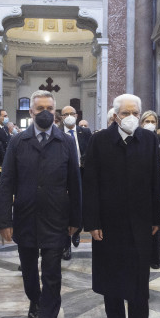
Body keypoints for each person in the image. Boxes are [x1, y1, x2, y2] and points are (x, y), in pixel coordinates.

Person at [0, 90, 81, 318]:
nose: (44, 112)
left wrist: (76, 220)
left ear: (55, 112)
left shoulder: (65, 141)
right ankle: (34, 298)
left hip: (56, 219)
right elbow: (7, 182)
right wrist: (4, 220)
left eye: (49, 108)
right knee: (30, 272)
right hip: (26, 217)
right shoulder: (17, 141)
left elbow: (75, 182)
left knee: (53, 276)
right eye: (39, 108)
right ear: (31, 111)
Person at [83, 94, 160, 318]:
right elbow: (91, 183)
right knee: (112, 275)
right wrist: (92, 221)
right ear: (116, 115)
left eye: (135, 113)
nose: (131, 117)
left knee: (139, 279)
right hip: (109, 222)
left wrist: (156, 217)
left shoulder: (149, 139)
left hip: (140, 221)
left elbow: (156, 181)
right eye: (126, 113)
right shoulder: (99, 141)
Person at [60, 105, 92, 260]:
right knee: (65, 209)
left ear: (76, 115)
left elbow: (91, 151)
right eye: (65, 114)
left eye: (71, 113)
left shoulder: (84, 132)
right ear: (61, 117)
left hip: (82, 172)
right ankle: (66, 245)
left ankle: (77, 230)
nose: (68, 116)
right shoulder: (58, 133)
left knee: (82, 204)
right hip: (64, 175)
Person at [140, 110, 160, 269]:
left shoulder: (159, 138)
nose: (150, 124)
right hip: (141, 182)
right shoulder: (138, 138)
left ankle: (154, 258)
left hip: (154, 182)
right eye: (147, 121)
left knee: (155, 222)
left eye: (152, 121)